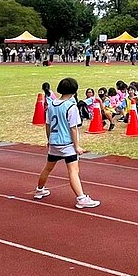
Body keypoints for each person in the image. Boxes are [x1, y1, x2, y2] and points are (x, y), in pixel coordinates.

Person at [34, 77, 101, 208]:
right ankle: (81, 198)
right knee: (73, 171)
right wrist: (77, 146)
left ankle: (39, 189)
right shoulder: (71, 107)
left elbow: (48, 125)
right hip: (67, 144)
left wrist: (49, 140)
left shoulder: (51, 104)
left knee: (48, 168)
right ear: (74, 91)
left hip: (54, 143)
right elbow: (73, 128)